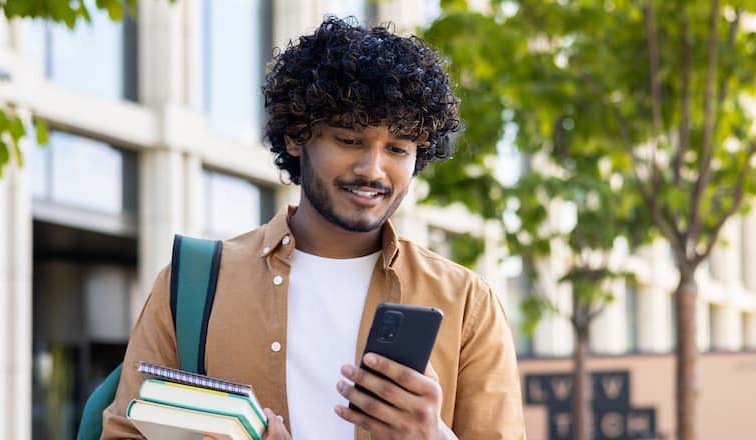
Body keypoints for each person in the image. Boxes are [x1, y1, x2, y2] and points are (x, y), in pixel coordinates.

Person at [101, 17, 525, 440]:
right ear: (295, 137)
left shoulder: (468, 303)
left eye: (397, 148)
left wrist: (431, 435)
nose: (372, 169)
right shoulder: (193, 283)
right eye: (348, 140)